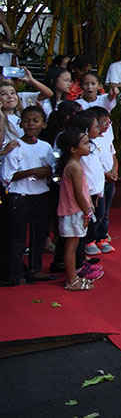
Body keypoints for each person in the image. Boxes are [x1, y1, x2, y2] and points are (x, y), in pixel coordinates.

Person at [1, 106, 56, 286]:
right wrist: (32, 172)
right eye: (26, 120)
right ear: (21, 123)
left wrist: (47, 173)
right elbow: (7, 176)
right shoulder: (15, 147)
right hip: (20, 196)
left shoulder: (46, 147)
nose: (31, 124)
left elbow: (51, 171)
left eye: (35, 120)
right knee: (17, 237)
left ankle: (35, 269)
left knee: (39, 235)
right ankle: (16, 273)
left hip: (41, 195)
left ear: (43, 124)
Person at [56, 129, 96, 291]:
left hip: (76, 210)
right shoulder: (75, 168)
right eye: (85, 143)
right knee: (71, 247)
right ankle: (71, 280)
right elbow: (78, 194)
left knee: (73, 245)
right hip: (74, 211)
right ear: (73, 149)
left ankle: (73, 277)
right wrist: (87, 212)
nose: (89, 146)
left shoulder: (74, 165)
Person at [83, 107, 118, 254]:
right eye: (102, 122)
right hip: (98, 182)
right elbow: (92, 166)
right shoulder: (88, 143)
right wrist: (106, 175)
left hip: (110, 180)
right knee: (98, 212)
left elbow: (113, 155)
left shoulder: (107, 137)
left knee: (106, 212)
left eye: (107, 121)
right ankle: (90, 240)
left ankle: (102, 237)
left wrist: (115, 170)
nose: (106, 125)